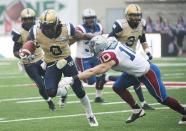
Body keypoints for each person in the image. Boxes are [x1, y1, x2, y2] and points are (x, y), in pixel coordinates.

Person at [60, 35, 186, 124]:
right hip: (134, 72)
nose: (94, 51)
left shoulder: (108, 54)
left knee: (162, 99)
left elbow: (97, 70)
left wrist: (74, 78)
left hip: (147, 72)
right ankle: (137, 110)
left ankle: (184, 112)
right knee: (118, 87)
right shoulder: (111, 41)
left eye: (94, 48)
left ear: (100, 47)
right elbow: (102, 38)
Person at [26, 9, 98, 127]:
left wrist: (95, 38)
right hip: (51, 63)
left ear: (56, 24)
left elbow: (82, 36)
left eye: (49, 27)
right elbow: (29, 44)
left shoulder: (67, 27)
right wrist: (27, 53)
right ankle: (64, 91)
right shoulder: (35, 31)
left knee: (79, 90)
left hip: (66, 60)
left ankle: (90, 114)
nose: (47, 30)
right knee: (50, 92)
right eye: (45, 27)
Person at [108, 4, 154, 110]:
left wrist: (147, 51)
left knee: (135, 77)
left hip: (131, 55)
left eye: (138, 15)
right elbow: (110, 38)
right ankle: (142, 104)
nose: (136, 18)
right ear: (127, 16)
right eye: (133, 15)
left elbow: (142, 39)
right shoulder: (120, 24)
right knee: (135, 76)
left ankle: (141, 104)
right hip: (119, 56)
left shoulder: (142, 24)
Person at [11, 8, 56, 111]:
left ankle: (62, 94)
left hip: (41, 59)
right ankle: (49, 102)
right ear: (22, 20)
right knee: (40, 84)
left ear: (34, 19)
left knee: (52, 81)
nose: (28, 21)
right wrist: (24, 55)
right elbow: (15, 52)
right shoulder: (20, 32)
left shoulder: (39, 28)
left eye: (30, 19)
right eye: (26, 19)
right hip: (29, 63)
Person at [75, 8, 106, 103]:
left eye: (92, 18)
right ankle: (77, 76)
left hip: (95, 55)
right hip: (83, 57)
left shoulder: (99, 27)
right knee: (90, 81)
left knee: (102, 75)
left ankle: (98, 97)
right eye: (88, 18)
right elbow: (79, 35)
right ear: (84, 19)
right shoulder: (80, 27)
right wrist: (94, 37)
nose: (90, 20)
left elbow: (101, 40)